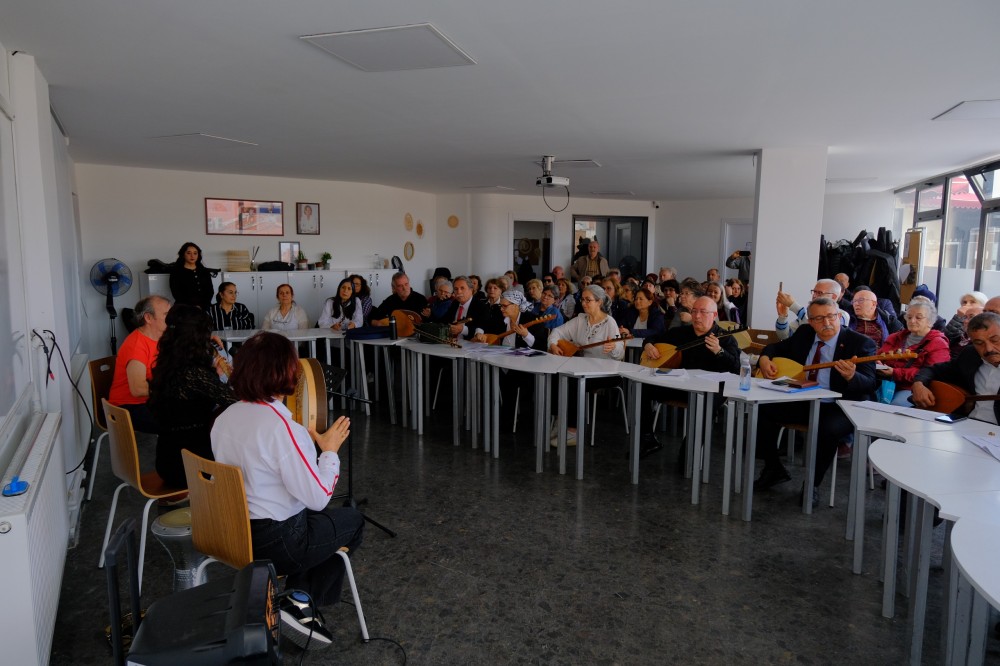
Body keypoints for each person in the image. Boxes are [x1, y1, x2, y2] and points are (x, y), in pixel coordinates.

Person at [211, 332, 363, 648]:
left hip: (232, 533)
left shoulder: (224, 418)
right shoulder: (283, 429)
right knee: (353, 521)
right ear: (287, 374)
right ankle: (302, 602)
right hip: (277, 544)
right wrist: (329, 451)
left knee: (312, 518)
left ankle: (297, 599)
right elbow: (319, 497)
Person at [753, 298, 877, 507]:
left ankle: (812, 484)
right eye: (819, 318)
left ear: (839, 316)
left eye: (831, 316)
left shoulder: (860, 343)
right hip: (805, 398)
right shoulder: (805, 334)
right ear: (810, 322)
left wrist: (851, 376)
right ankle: (773, 468)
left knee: (827, 429)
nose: (826, 322)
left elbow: (870, 384)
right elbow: (775, 347)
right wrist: (764, 359)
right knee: (762, 410)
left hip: (841, 403)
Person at [638, 296, 740, 456]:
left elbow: (735, 368)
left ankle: (690, 451)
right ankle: (647, 439)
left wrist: (719, 351)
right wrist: (648, 345)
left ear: (714, 315)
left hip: (710, 389)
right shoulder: (680, 333)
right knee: (643, 388)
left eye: (703, 312)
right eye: (694, 311)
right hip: (681, 385)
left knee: (706, 404)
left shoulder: (725, 338)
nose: (697, 316)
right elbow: (654, 338)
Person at [148, 304, 235, 488]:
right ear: (197, 338)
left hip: (168, 458)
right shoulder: (194, 373)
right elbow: (235, 401)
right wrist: (230, 377)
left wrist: (215, 374)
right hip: (191, 467)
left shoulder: (168, 363)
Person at [548, 285, 625, 445]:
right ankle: (559, 420)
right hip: (584, 368)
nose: (583, 303)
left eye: (588, 300)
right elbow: (557, 332)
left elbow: (619, 352)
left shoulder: (609, 322)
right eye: (582, 299)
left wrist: (613, 347)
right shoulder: (580, 320)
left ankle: (573, 431)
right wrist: (553, 344)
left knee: (573, 381)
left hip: (607, 372)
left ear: (599, 302)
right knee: (557, 375)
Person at [911, 312, 1000, 424]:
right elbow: (934, 370)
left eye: (995, 340)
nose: (988, 348)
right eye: (979, 343)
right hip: (965, 423)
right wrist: (918, 384)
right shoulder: (970, 356)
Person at [108, 295, 172, 433]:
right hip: (127, 407)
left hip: (150, 400)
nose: (172, 318)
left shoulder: (162, 337)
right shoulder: (137, 344)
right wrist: (174, 390)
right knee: (182, 422)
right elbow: (137, 389)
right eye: (166, 314)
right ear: (148, 318)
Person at [875, 299, 949, 406]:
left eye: (918, 317)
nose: (912, 321)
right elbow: (879, 355)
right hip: (884, 383)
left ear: (930, 321)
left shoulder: (938, 343)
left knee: (896, 406)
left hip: (912, 389)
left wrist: (895, 372)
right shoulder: (895, 337)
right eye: (909, 317)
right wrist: (878, 363)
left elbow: (932, 373)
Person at [775, 278, 849, 340]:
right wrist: (782, 317)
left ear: (833, 297)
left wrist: (793, 305)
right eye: (814, 292)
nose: (814, 296)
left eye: (819, 293)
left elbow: (816, 329)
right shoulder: (804, 316)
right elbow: (785, 337)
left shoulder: (842, 315)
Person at [436, 276, 494, 340]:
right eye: (456, 289)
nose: (459, 292)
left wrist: (463, 330)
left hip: (470, 343)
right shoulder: (455, 303)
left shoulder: (481, 306)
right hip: (451, 342)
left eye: (462, 288)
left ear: (471, 290)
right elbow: (444, 321)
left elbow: (483, 329)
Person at [169, 242, 215, 309]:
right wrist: (193, 307)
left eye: (195, 253)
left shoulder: (204, 271)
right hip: (184, 308)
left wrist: (202, 306)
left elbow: (210, 291)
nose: (192, 256)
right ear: (183, 254)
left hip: (204, 308)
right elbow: (176, 293)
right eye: (189, 253)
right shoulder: (176, 272)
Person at [944, 291, 987, 358]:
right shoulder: (962, 320)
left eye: (972, 302)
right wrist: (959, 317)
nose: (966, 305)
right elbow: (946, 338)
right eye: (964, 302)